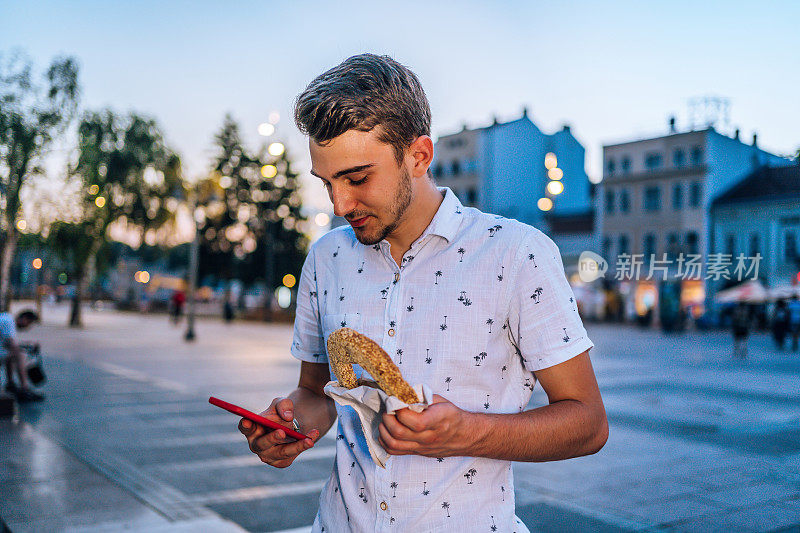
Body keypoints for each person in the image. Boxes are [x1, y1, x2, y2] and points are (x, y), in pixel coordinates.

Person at [238, 54, 608, 532]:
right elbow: (316, 392)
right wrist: (291, 424)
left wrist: (469, 432)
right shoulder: (326, 258)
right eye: (327, 183)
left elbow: (588, 423)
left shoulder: (516, 254)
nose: (340, 204)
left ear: (419, 156)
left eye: (357, 177)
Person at [2, 310, 44, 402]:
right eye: (29, 323)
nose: (27, 327)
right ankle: (24, 389)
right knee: (19, 355)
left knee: (13, 354)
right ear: (24, 318)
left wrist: (27, 344)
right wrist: (27, 347)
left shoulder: (7, 318)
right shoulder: (9, 322)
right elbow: (12, 346)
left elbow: (6, 343)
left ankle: (10, 384)